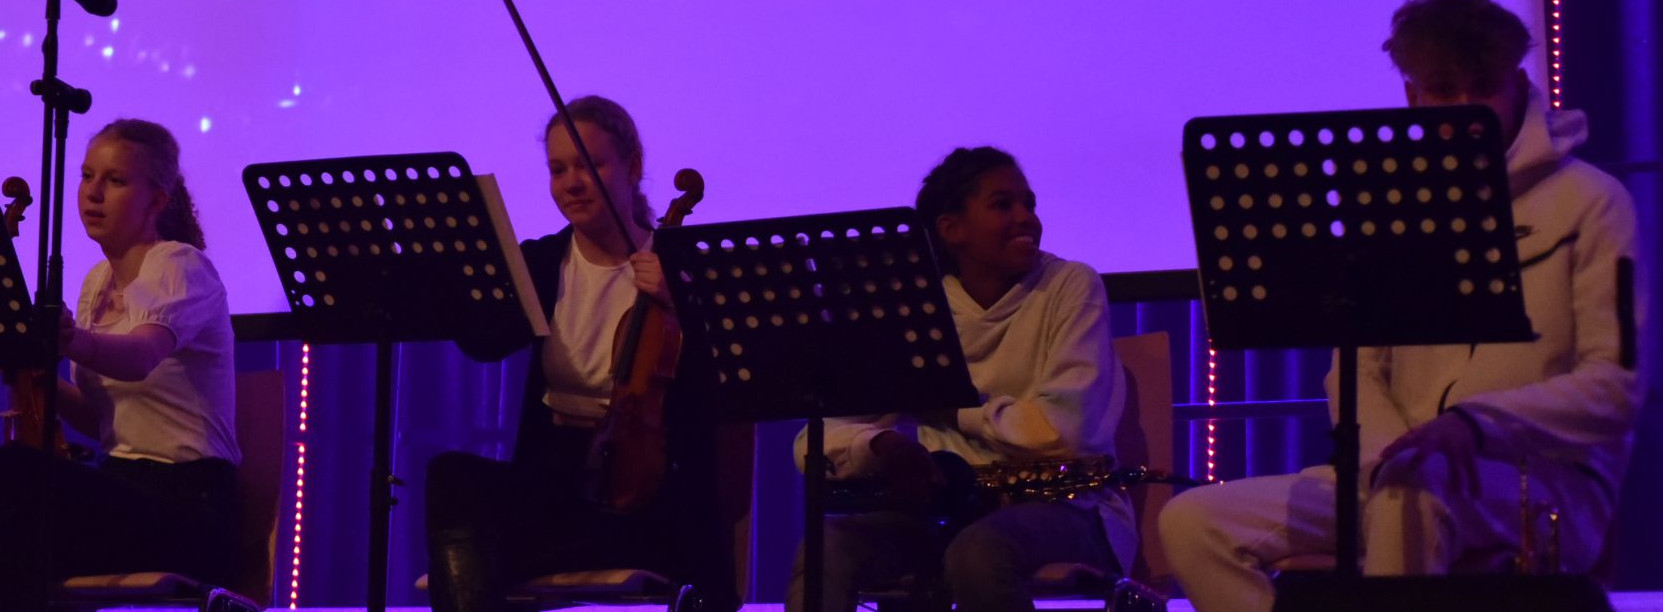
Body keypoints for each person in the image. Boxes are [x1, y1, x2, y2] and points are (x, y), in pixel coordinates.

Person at [1161, 0, 1645, 610]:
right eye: (1443, 91)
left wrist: (1473, 424)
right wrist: (1386, 453)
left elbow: (1615, 387)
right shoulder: (1396, 204)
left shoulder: (1591, 202)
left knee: (1408, 497)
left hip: (1543, 482)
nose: (1464, 109)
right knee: (1193, 521)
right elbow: (1356, 368)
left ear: (1516, 84)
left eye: (1481, 88)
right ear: (1413, 97)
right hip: (1398, 473)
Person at [0, 117, 240, 611]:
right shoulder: (96, 281)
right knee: (5, 550)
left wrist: (71, 339)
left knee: (6, 475)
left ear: (156, 201)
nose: (93, 193)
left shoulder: (179, 264)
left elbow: (141, 357)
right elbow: (103, 418)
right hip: (124, 489)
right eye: (87, 176)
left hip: (188, 506)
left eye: (116, 180)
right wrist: (35, 375)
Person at [786, 145, 1132, 612]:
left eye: (1029, 204)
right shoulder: (918, 304)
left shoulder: (1070, 286)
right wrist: (881, 445)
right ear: (951, 229)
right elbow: (813, 442)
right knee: (828, 546)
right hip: (948, 512)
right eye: (1003, 205)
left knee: (979, 552)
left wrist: (950, 405)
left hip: (1072, 508)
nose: (1026, 218)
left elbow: (1065, 431)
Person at [424, 95, 736, 612]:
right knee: (451, 478)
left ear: (632, 168)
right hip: (556, 480)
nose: (571, 183)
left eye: (590, 165)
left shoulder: (681, 268)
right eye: (558, 169)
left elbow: (724, 388)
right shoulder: (540, 264)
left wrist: (681, 305)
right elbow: (484, 343)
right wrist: (449, 279)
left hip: (651, 494)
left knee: (487, 552)